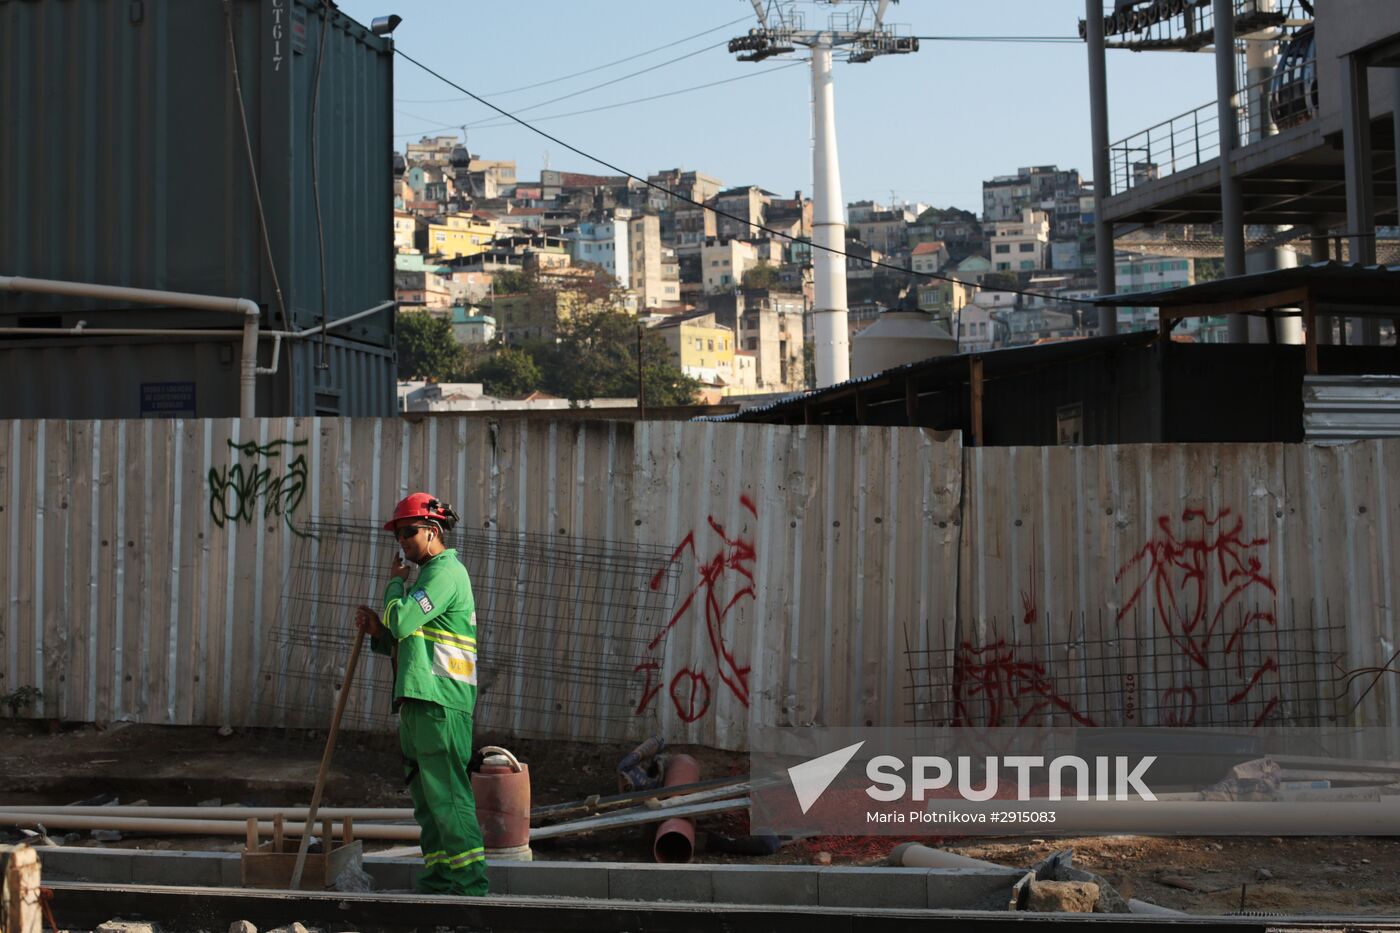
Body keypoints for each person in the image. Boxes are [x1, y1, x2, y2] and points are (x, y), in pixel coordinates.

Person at [354, 492, 488, 897]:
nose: (402, 542)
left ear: (432, 532)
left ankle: (469, 888)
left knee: (447, 795)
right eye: (398, 534)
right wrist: (379, 634)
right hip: (419, 700)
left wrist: (395, 584)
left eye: (408, 532)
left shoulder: (444, 573)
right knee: (429, 804)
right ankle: (441, 880)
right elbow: (407, 639)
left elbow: (404, 618)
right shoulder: (432, 576)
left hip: (440, 703)